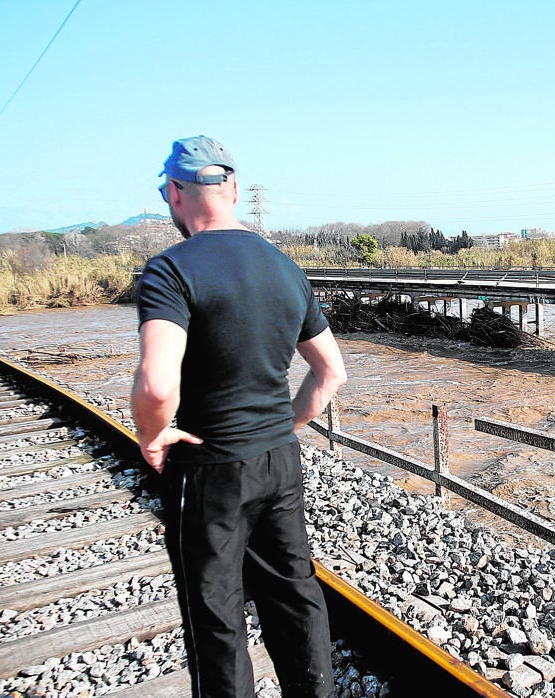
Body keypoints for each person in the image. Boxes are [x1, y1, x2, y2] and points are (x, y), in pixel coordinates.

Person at [131, 135, 346, 698]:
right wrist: (285, 426)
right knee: (294, 591)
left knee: (216, 609)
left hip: (209, 464)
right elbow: (330, 374)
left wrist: (152, 435)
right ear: (229, 188)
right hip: (279, 458)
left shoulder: (170, 271)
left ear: (173, 194)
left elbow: (156, 383)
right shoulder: (284, 267)